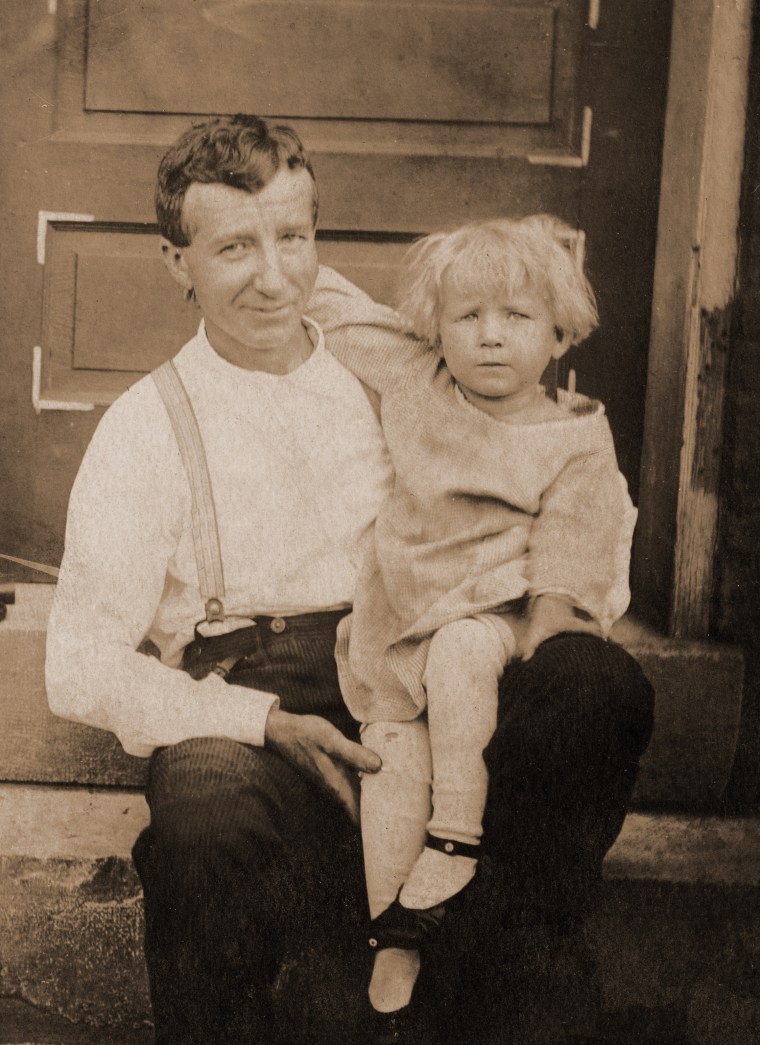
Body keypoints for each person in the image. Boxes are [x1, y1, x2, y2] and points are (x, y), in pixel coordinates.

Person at [45, 114, 654, 1045]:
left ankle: (500, 961)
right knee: (205, 811)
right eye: (235, 247)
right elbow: (79, 663)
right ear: (179, 264)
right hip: (260, 693)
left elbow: (571, 483)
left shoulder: (401, 371)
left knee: (593, 684)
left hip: (421, 665)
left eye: (293, 237)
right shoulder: (144, 427)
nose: (275, 275)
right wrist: (259, 722)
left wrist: (531, 620)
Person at [327, 215, 638, 1040]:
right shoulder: (416, 376)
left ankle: (457, 843)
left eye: (517, 317)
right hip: (401, 629)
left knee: (465, 647)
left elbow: (572, 555)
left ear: (561, 331)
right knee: (389, 751)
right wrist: (278, 261)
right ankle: (396, 944)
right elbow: (335, 307)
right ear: (435, 327)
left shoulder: (575, 436)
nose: (490, 336)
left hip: (498, 622)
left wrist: (546, 636)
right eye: (467, 317)